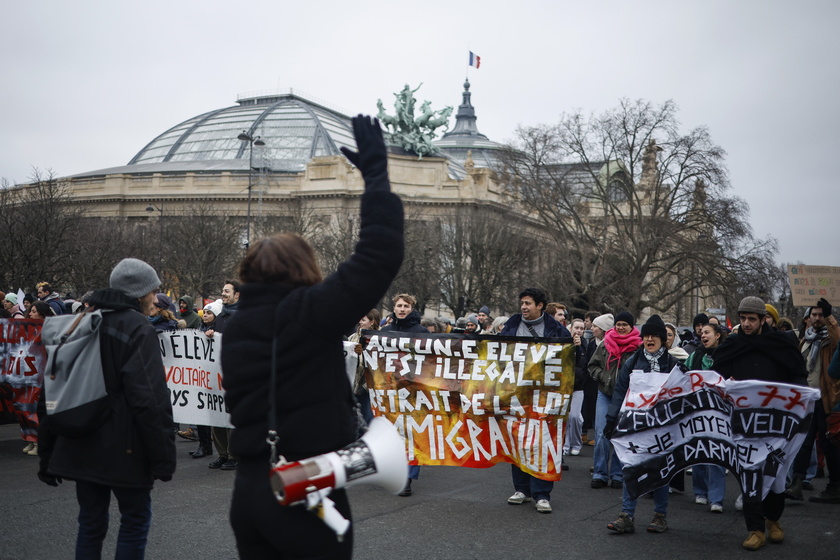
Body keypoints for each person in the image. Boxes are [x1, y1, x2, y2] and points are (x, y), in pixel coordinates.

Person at [221, 115, 404, 559]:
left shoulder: (234, 323)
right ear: (303, 269)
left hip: (249, 489)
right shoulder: (309, 313)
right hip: (305, 485)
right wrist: (376, 177)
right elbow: (378, 254)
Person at [37, 257, 176, 558]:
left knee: (90, 524)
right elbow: (149, 398)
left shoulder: (80, 322)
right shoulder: (137, 327)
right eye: (153, 291)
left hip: (78, 441)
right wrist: (163, 456)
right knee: (134, 521)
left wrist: (46, 451)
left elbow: (50, 389)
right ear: (140, 293)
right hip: (125, 448)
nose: (156, 297)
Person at [713, 296, 808, 551]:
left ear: (763, 320)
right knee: (750, 475)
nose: (746, 324)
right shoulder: (733, 345)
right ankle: (754, 529)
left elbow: (798, 377)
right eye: (742, 319)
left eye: (751, 319)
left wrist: (802, 401)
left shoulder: (781, 344)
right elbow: (715, 376)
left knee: (776, 475)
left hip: (777, 423)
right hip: (744, 422)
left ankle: (773, 520)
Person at [605, 315, 682, 535]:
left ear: (662, 339)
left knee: (661, 470)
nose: (649, 339)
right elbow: (620, 391)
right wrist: (611, 420)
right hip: (636, 425)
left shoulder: (674, 364)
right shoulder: (632, 362)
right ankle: (626, 515)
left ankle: (660, 516)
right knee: (632, 467)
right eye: (646, 335)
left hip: (663, 427)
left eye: (654, 335)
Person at [501, 288, 571, 514]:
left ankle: (542, 494)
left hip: (544, 394)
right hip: (516, 392)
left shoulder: (556, 329)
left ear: (540, 305)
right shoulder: (511, 324)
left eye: (528, 303)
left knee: (541, 441)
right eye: (521, 302)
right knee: (517, 438)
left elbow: (566, 362)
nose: (523, 307)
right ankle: (522, 489)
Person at [785, 298, 840, 504]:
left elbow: (839, 340)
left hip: (825, 399)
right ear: (808, 318)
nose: (817, 319)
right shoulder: (805, 339)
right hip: (805, 398)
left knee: (827, 444)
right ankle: (797, 483)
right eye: (814, 315)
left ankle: (835, 485)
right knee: (803, 441)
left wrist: (830, 318)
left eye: (821, 315)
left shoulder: (830, 339)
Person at [381, 293, 430, 495]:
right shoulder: (384, 331)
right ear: (394, 308)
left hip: (413, 391)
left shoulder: (422, 332)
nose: (402, 309)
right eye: (399, 306)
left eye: (406, 306)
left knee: (411, 435)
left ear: (412, 308)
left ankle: (408, 478)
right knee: (391, 434)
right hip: (388, 390)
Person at [589, 311, 640, 489]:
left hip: (626, 396)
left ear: (631, 327)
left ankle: (618, 474)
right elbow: (592, 365)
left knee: (620, 435)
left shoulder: (637, 348)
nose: (620, 327)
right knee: (601, 433)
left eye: (624, 324)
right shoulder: (605, 344)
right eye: (618, 324)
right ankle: (600, 472)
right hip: (604, 392)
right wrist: (603, 376)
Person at [685, 323, 728, 513]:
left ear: (718, 336)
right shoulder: (695, 356)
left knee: (717, 453)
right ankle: (700, 492)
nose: (703, 335)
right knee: (699, 451)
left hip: (719, 411)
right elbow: (683, 376)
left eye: (707, 332)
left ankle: (716, 498)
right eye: (701, 333)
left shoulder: (727, 355)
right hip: (698, 409)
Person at [207, 281, 241, 471]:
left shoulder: (245, 317)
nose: (223, 294)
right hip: (217, 374)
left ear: (237, 295)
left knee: (231, 415)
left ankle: (234, 454)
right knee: (217, 413)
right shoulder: (220, 317)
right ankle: (222, 453)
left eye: (227, 291)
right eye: (222, 291)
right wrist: (209, 333)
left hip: (235, 374)